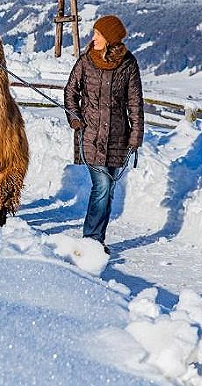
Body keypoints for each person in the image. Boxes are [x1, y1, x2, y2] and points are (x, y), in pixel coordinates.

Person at [63, 14, 144, 255]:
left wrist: (135, 136)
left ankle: (98, 238)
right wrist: (75, 118)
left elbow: (135, 104)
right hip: (90, 134)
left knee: (108, 190)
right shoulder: (86, 60)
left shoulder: (128, 64)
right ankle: (91, 240)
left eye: (98, 34)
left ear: (109, 38)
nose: (93, 38)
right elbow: (70, 92)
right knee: (102, 185)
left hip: (118, 137)